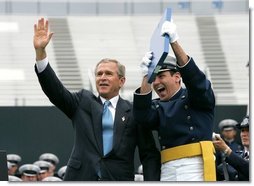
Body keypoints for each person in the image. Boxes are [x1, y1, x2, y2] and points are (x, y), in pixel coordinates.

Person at [33, 17, 160, 181]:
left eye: (108, 73)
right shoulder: (82, 101)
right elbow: (55, 91)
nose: (102, 77)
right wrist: (40, 53)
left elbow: (149, 153)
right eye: (99, 74)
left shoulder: (134, 112)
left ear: (121, 81)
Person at [133, 20, 216, 181]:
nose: (156, 83)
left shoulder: (196, 98)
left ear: (177, 77)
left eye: (161, 76)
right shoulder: (157, 106)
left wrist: (174, 42)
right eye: (154, 78)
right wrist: (146, 76)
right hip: (167, 168)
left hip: (196, 166)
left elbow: (197, 83)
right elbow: (142, 117)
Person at [213, 115, 249, 181]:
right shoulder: (241, 155)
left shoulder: (237, 149)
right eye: (242, 130)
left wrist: (226, 150)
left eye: (248, 130)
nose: (244, 134)